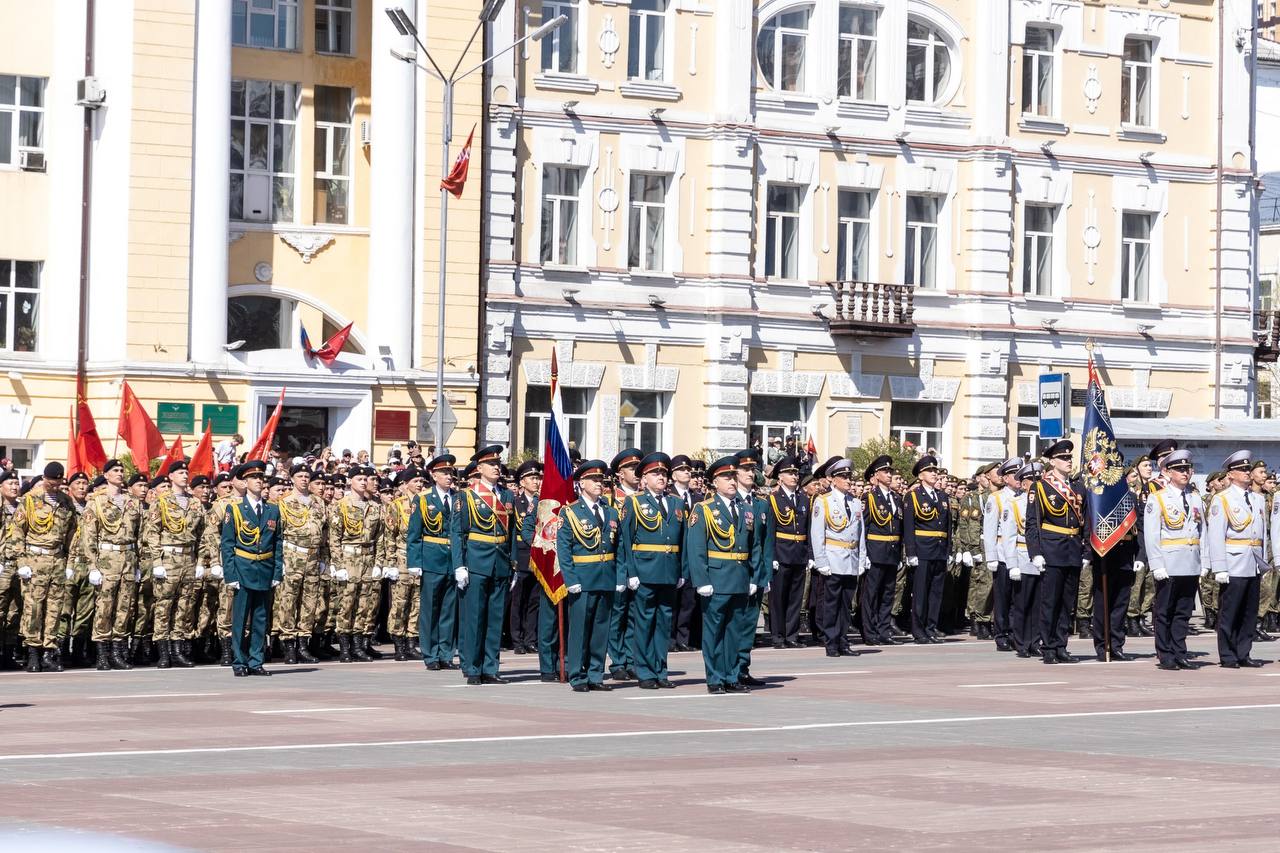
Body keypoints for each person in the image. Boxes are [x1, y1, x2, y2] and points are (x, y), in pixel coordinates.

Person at [684, 456, 766, 694]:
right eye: (726, 478)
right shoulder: (704, 509)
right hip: (717, 579)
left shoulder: (746, 509)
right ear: (714, 482)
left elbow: (754, 547)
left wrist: (753, 577)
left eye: (733, 477)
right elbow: (696, 548)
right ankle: (715, 678)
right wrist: (701, 580)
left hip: (740, 578)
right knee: (714, 631)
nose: (731, 481)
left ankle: (732, 676)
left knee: (734, 632)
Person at [450, 445, 524, 685]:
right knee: (474, 617)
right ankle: (472, 667)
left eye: (498, 464)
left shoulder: (507, 495)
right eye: (491, 464)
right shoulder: (466, 496)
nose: (496, 467)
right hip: (476, 561)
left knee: (494, 618)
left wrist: (513, 564)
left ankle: (490, 667)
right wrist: (459, 565)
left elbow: (512, 533)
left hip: (500, 562)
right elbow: (458, 534)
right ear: (479, 468)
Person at [617, 452, 683, 690]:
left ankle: (661, 670)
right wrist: (630, 572)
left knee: (664, 623)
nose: (661, 477)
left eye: (664, 473)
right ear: (644, 479)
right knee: (644, 623)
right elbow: (626, 540)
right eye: (656, 473)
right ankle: (644, 671)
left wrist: (682, 570)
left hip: (669, 570)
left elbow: (682, 540)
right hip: (644, 570)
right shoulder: (633, 502)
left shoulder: (676, 503)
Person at [558, 459, 622, 692]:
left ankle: (596, 674)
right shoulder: (570, 511)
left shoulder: (610, 510)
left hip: (606, 577)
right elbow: (563, 548)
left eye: (601, 480)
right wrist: (571, 579)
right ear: (581, 483)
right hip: (582, 579)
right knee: (580, 629)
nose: (599, 483)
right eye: (594, 480)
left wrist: (620, 577)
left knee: (601, 629)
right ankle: (577, 674)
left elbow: (619, 547)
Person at [9, 463, 77, 672]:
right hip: (35, 560)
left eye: (59, 482)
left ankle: (49, 652)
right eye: (52, 481)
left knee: (55, 609)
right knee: (34, 609)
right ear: (45, 478)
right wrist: (21, 562)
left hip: (57, 561)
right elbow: (17, 532)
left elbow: (72, 535)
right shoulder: (30, 500)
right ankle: (32, 652)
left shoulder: (66, 502)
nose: (55, 485)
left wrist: (70, 563)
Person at [220, 460, 284, 676]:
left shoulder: (273, 510)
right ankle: (239, 661)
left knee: (260, 619)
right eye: (254, 478)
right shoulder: (235, 510)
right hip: (243, 569)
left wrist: (277, 572)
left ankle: (256, 661)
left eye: (261, 478)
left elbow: (278, 543)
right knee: (239, 619)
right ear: (245, 482)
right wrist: (230, 574)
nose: (258, 481)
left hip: (264, 569)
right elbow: (227, 544)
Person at [1026, 440, 1087, 665]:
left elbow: (1085, 522)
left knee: (1066, 603)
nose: (1068, 461)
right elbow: (1033, 523)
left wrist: (1087, 551)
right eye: (1063, 458)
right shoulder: (1040, 487)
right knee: (1050, 602)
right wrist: (1035, 552)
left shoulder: (1079, 488)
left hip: (1073, 550)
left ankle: (1061, 645)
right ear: (1052, 462)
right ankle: (1048, 646)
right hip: (1051, 549)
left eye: (1070, 458)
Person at [141, 460, 206, 669]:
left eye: (186, 472)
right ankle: (163, 651)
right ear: (170, 477)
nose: (185, 475)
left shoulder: (195, 503)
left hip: (188, 558)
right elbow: (151, 533)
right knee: (164, 605)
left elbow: (204, 535)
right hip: (168, 558)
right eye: (180, 472)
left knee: (184, 606)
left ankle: (178, 649)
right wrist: (157, 561)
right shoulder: (161, 502)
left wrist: (201, 561)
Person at [1144, 450, 1205, 670]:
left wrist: (1204, 562)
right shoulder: (1157, 497)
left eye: (1187, 468)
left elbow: (1202, 532)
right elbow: (1152, 535)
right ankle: (1165, 653)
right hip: (1169, 563)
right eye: (1179, 469)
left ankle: (1180, 651)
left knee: (1183, 611)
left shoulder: (1195, 497)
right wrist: (1157, 564)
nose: (1184, 473)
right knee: (1165, 611)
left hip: (1190, 563)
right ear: (1167, 472)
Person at [81, 459, 144, 671]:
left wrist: (138, 564)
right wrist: (92, 566)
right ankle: (102, 654)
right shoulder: (96, 503)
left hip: (128, 558)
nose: (119, 473)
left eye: (121, 470)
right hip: (107, 559)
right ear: (105, 475)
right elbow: (88, 537)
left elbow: (140, 535)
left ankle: (118, 652)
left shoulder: (132, 502)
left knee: (124, 608)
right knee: (104, 607)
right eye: (115, 470)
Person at [1210, 450, 1267, 668]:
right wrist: (1219, 567)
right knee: (1230, 611)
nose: (1246, 472)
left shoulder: (1258, 499)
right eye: (1241, 469)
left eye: (1247, 468)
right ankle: (1228, 654)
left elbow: (1262, 534)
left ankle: (1244, 651)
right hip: (1233, 562)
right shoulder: (1222, 499)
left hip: (1253, 563)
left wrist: (1262, 562)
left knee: (1249, 611)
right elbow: (1216, 536)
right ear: (1230, 474)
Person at [327, 464, 383, 662]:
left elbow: (380, 537)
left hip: (368, 557)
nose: (363, 482)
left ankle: (358, 645)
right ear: (350, 481)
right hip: (349, 557)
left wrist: (379, 562)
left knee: (364, 603)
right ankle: (344, 646)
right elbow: (334, 537)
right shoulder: (340, 506)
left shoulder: (374, 507)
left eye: (365, 479)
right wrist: (338, 564)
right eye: (359, 479)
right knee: (346, 603)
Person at [809, 458, 864, 656]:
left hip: (851, 558)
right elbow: (817, 534)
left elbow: (860, 534)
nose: (848, 480)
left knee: (846, 604)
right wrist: (821, 561)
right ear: (833, 480)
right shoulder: (823, 501)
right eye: (843, 477)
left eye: (849, 476)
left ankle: (843, 640)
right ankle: (831, 642)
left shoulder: (856, 503)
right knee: (831, 603)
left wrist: (862, 558)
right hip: (833, 558)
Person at [408, 454, 457, 670]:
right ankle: (430, 654)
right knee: (430, 608)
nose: (449, 476)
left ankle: (446, 653)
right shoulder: (423, 498)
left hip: (453, 559)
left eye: (451, 473)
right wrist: (414, 562)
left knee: (449, 609)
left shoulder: (458, 498)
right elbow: (414, 534)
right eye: (444, 473)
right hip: (431, 558)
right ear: (433, 475)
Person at [276, 462, 327, 665]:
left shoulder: (318, 502)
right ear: (292, 479)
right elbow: (278, 533)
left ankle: (303, 644)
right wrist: (279, 560)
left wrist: (324, 558)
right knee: (288, 601)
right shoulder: (284, 502)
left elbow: (325, 532)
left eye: (307, 476)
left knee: (310, 602)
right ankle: (288, 644)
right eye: (300, 476)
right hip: (292, 555)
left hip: (313, 557)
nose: (304, 479)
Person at [904, 455, 951, 644]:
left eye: (935, 471)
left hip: (939, 550)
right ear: (920, 475)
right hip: (922, 550)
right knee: (921, 593)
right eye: (930, 471)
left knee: (936, 593)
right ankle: (919, 630)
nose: (934, 474)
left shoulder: (942, 496)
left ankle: (931, 628)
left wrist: (948, 550)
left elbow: (947, 527)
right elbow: (909, 526)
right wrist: (911, 552)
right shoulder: (913, 496)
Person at [766, 455, 811, 649]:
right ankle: (778, 636)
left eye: (795, 473)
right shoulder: (773, 500)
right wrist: (773, 557)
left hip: (799, 554)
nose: (794, 476)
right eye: (789, 473)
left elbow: (808, 529)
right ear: (780, 477)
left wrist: (810, 555)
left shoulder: (804, 499)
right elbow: (769, 532)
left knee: (795, 597)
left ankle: (792, 635)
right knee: (778, 598)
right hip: (781, 553)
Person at [605, 448, 643, 680]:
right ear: (620, 474)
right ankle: (617, 661)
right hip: (618, 565)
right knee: (616, 614)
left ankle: (631, 659)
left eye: (639, 469)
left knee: (634, 616)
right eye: (631, 469)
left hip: (640, 565)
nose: (637, 473)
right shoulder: (611, 500)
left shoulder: (644, 499)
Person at [861, 455, 902, 646]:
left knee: (887, 594)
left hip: (892, 552)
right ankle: (869, 632)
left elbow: (899, 528)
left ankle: (884, 630)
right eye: (885, 471)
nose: (889, 474)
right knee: (871, 595)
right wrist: (864, 554)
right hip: (875, 551)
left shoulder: (896, 498)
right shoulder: (869, 497)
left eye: (890, 471)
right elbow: (864, 527)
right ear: (875, 476)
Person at [1003, 462, 1042, 658]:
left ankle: (1035, 641)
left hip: (1041, 560)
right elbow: (1009, 536)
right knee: (1022, 604)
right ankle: (1021, 642)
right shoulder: (1015, 504)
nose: (1037, 484)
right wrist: (1012, 565)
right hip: (1022, 557)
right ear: (1024, 484)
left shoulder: (1044, 502)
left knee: (1038, 605)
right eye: (1032, 481)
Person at [984, 458, 1022, 652]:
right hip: (1001, 554)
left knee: (1019, 597)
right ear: (1006, 478)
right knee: (1002, 596)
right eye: (1014, 475)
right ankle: (1001, 634)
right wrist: (990, 555)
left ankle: (1017, 634)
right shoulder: (996, 498)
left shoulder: (1024, 496)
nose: (1018, 478)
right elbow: (989, 528)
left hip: (1020, 554)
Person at [667, 454, 703, 652]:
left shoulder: (698, 498)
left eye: (688, 470)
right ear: (673, 475)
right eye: (682, 470)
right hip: (673, 552)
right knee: (672, 598)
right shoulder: (668, 496)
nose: (687, 473)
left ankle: (683, 638)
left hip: (691, 553)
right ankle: (670, 638)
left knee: (689, 598)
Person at [508, 460, 543, 655]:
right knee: (518, 600)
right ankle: (517, 639)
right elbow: (513, 531)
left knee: (534, 600)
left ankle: (531, 638)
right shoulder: (515, 502)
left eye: (537, 477)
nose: (536, 481)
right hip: (521, 554)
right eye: (531, 478)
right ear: (521, 482)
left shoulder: (541, 503)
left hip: (537, 556)